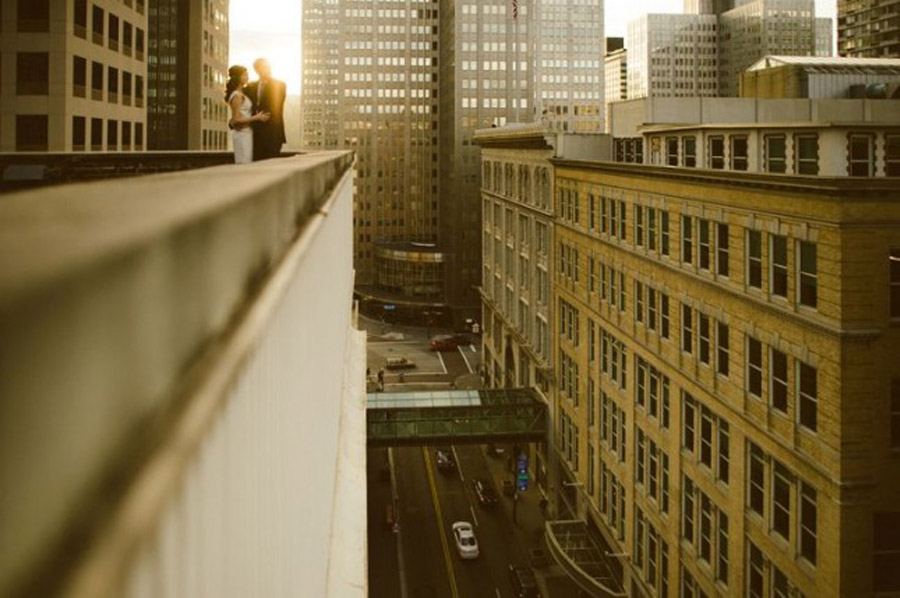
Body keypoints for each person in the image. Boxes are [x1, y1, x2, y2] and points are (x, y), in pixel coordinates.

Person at [225, 65, 269, 164]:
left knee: (247, 161)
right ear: (238, 77)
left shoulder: (241, 93)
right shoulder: (237, 95)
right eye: (245, 75)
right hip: (242, 134)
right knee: (243, 163)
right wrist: (256, 117)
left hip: (246, 133)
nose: (247, 77)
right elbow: (236, 119)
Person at [244, 58, 287, 161]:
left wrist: (263, 116)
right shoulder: (250, 86)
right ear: (257, 70)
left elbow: (276, 105)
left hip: (273, 133)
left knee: (272, 165)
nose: (266, 69)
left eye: (267, 66)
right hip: (255, 133)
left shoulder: (279, 85)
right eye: (262, 67)